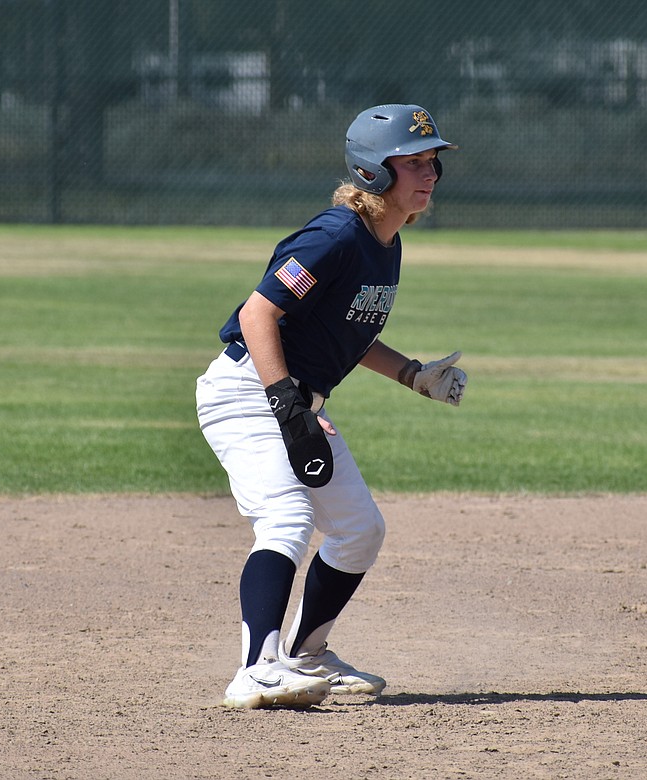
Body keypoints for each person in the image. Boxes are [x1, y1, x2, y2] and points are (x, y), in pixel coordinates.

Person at [195, 104, 467, 709]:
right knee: (288, 520)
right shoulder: (336, 235)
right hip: (248, 394)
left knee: (359, 530)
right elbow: (258, 313)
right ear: (373, 171)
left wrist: (413, 375)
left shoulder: (383, 242)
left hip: (289, 398)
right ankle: (255, 669)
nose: (428, 174)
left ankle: (308, 654)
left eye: (432, 163)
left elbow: (348, 330)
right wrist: (288, 404)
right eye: (413, 162)